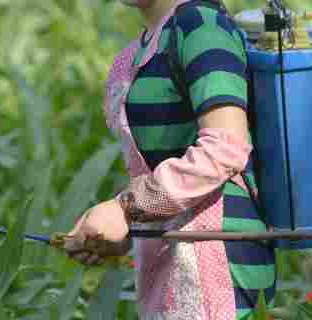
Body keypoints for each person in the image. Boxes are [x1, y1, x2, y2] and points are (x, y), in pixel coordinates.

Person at [63, 0, 276, 319]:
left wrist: (126, 208)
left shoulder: (201, 28)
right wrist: (123, 228)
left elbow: (225, 147)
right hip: (170, 260)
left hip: (217, 258)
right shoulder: (140, 49)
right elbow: (157, 166)